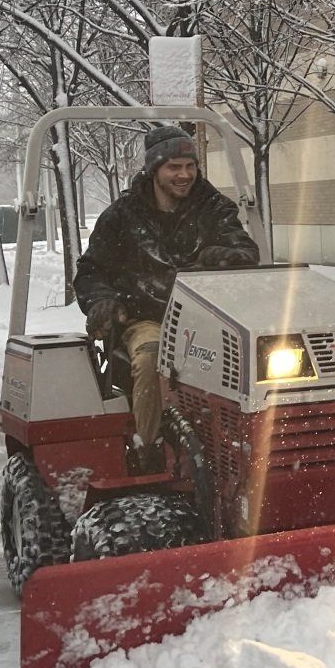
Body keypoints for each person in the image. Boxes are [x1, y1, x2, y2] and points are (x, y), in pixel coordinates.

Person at [73, 124, 260, 450]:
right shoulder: (122, 217)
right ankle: (150, 447)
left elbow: (244, 252)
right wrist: (102, 301)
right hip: (147, 318)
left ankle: (244, 449)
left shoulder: (214, 209)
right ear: (154, 169)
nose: (184, 174)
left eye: (190, 166)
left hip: (209, 318)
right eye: (174, 167)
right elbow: (92, 271)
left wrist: (224, 256)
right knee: (154, 356)